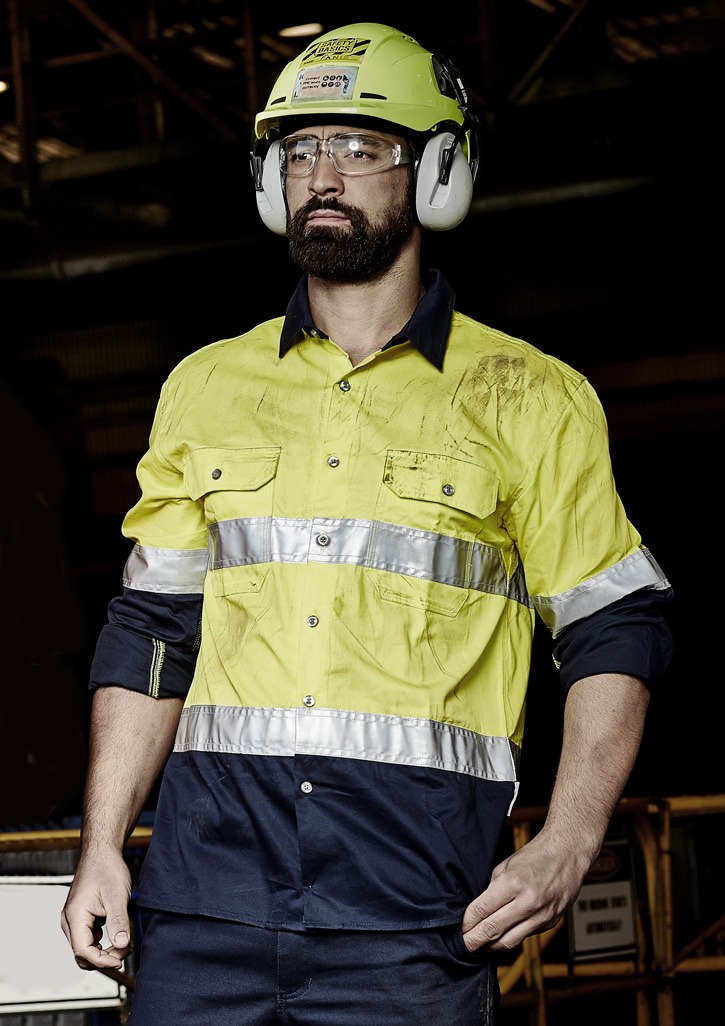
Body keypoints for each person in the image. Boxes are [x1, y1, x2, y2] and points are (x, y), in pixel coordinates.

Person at [61, 22, 673, 1025]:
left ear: (437, 173)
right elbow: (152, 635)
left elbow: (613, 627)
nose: (322, 175)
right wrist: (100, 851)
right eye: (300, 150)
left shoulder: (529, 396)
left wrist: (568, 841)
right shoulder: (203, 388)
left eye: (359, 147)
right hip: (202, 910)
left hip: (413, 916)